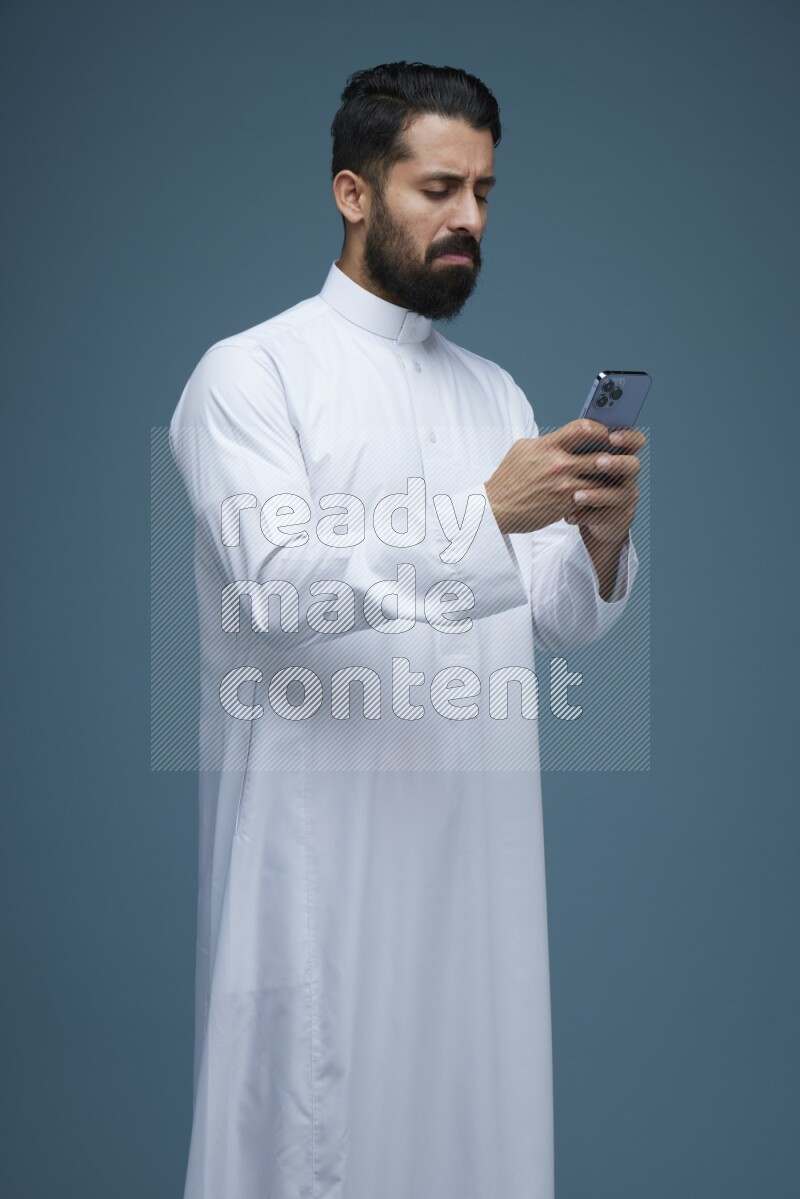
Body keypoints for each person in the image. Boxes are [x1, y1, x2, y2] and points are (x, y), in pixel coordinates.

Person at [169, 60, 644, 1199]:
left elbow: (557, 620)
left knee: (473, 1140)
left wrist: (600, 540)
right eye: (438, 189)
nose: (468, 220)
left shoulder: (492, 394)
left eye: (482, 192)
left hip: (477, 876)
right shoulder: (251, 376)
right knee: (309, 1143)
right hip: (318, 866)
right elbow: (279, 590)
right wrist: (491, 511)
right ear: (352, 191)